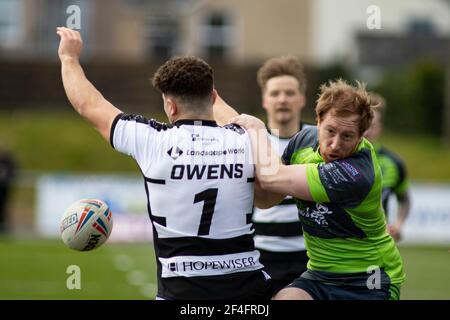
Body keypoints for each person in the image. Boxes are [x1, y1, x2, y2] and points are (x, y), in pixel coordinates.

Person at [56, 27, 272, 300]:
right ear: (214, 97)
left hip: (180, 293)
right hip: (248, 293)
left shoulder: (151, 140)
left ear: (170, 106)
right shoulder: (246, 137)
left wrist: (69, 58)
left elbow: (89, 104)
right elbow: (266, 195)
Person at [231, 79, 406, 300]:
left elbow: (272, 177)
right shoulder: (303, 141)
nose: (334, 144)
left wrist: (256, 131)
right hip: (320, 275)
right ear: (318, 121)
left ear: (361, 136)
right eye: (330, 131)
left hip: (370, 277)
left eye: (347, 136)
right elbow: (265, 200)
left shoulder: (357, 174)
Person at [252, 55, 310, 294]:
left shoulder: (320, 140)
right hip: (259, 257)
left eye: (289, 93)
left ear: (302, 99)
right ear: (265, 100)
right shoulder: (252, 142)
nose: (282, 99)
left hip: (311, 259)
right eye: (275, 93)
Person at [364, 93, 411, 242]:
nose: (367, 131)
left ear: (379, 129)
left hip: (380, 243)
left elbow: (404, 199)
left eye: (372, 126)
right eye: (363, 124)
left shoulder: (394, 162)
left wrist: (398, 224)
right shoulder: (337, 157)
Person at [0, 148, 16, 234]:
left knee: (4, 208)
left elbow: (12, 173)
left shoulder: (8, 163)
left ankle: (4, 226)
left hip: (4, 190)